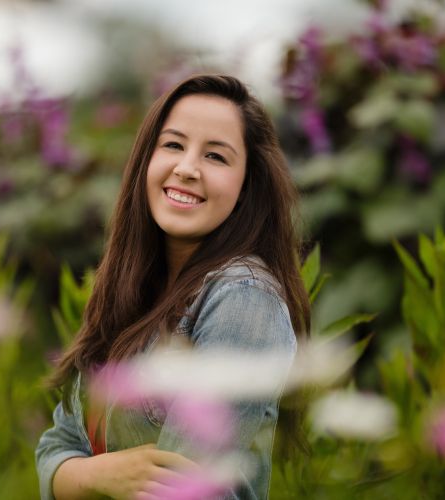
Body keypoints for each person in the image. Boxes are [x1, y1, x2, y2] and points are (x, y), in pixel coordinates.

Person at [36, 74, 311, 500]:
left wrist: (78, 474)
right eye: (173, 145)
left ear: (244, 187)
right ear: (147, 159)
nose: (186, 168)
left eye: (216, 157)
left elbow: (183, 491)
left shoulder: (242, 298)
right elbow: (54, 449)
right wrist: (100, 475)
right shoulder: (130, 293)